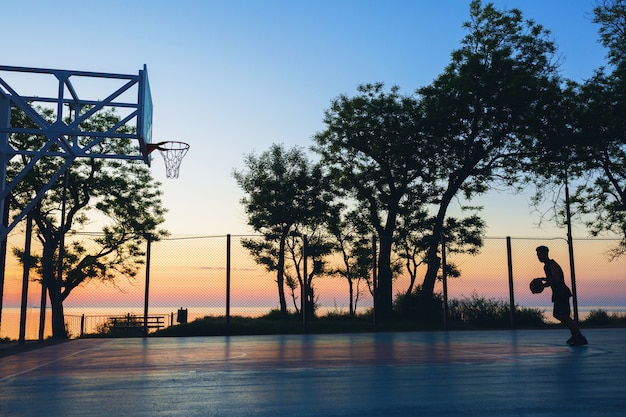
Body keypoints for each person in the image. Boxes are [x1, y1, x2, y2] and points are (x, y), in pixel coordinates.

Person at [535, 246, 587, 346]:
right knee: (562, 315)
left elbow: (556, 279)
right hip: (558, 293)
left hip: (562, 293)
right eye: (538, 255)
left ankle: (580, 337)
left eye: (540, 254)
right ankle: (575, 335)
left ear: (546, 253)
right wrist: (543, 283)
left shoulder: (552, 265)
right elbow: (552, 280)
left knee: (562, 315)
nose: (539, 257)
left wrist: (543, 281)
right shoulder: (546, 266)